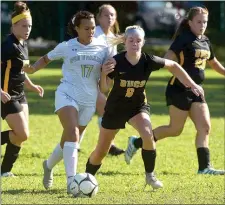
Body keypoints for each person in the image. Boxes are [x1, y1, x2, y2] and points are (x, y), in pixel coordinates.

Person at [85, 25, 204, 189]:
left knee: (148, 135)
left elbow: (174, 66)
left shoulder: (148, 61)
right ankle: (86, 178)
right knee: (101, 151)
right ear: (125, 42)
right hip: (116, 108)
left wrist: (191, 84)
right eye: (131, 40)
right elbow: (104, 89)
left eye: (138, 40)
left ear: (143, 42)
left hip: (137, 106)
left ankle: (150, 176)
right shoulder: (115, 62)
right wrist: (104, 73)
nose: (134, 43)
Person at [124, 7, 225, 175]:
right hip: (178, 90)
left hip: (196, 92)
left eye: (205, 22)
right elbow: (168, 60)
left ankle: (204, 167)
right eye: (199, 22)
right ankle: (136, 143)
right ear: (190, 22)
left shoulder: (205, 41)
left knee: (205, 127)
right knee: (175, 130)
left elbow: (214, 64)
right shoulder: (183, 39)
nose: (202, 25)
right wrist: (185, 79)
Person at [23, 11, 115, 193]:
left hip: (88, 101)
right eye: (86, 28)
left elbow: (105, 87)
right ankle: (72, 182)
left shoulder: (103, 48)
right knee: (72, 132)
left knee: (69, 141)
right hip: (67, 94)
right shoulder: (67, 46)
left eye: (92, 28)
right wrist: (32, 69)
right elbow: (46, 58)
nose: (91, 31)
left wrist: (106, 74)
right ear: (77, 29)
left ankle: (48, 165)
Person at [1, 1, 44, 177]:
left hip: (20, 95)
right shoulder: (7, 45)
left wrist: (31, 85)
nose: (28, 29)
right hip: (6, 96)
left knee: (20, 136)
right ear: (14, 25)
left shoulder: (23, 44)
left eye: (30, 26)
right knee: (22, 134)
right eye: (24, 26)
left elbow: (19, 71)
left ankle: (4, 171)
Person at [79, 4, 124, 156]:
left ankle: (73, 143)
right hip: (86, 79)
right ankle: (108, 145)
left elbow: (111, 61)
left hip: (100, 82)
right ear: (98, 17)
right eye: (106, 15)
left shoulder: (112, 37)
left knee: (87, 113)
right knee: (104, 111)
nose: (110, 18)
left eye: (112, 15)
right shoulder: (94, 33)